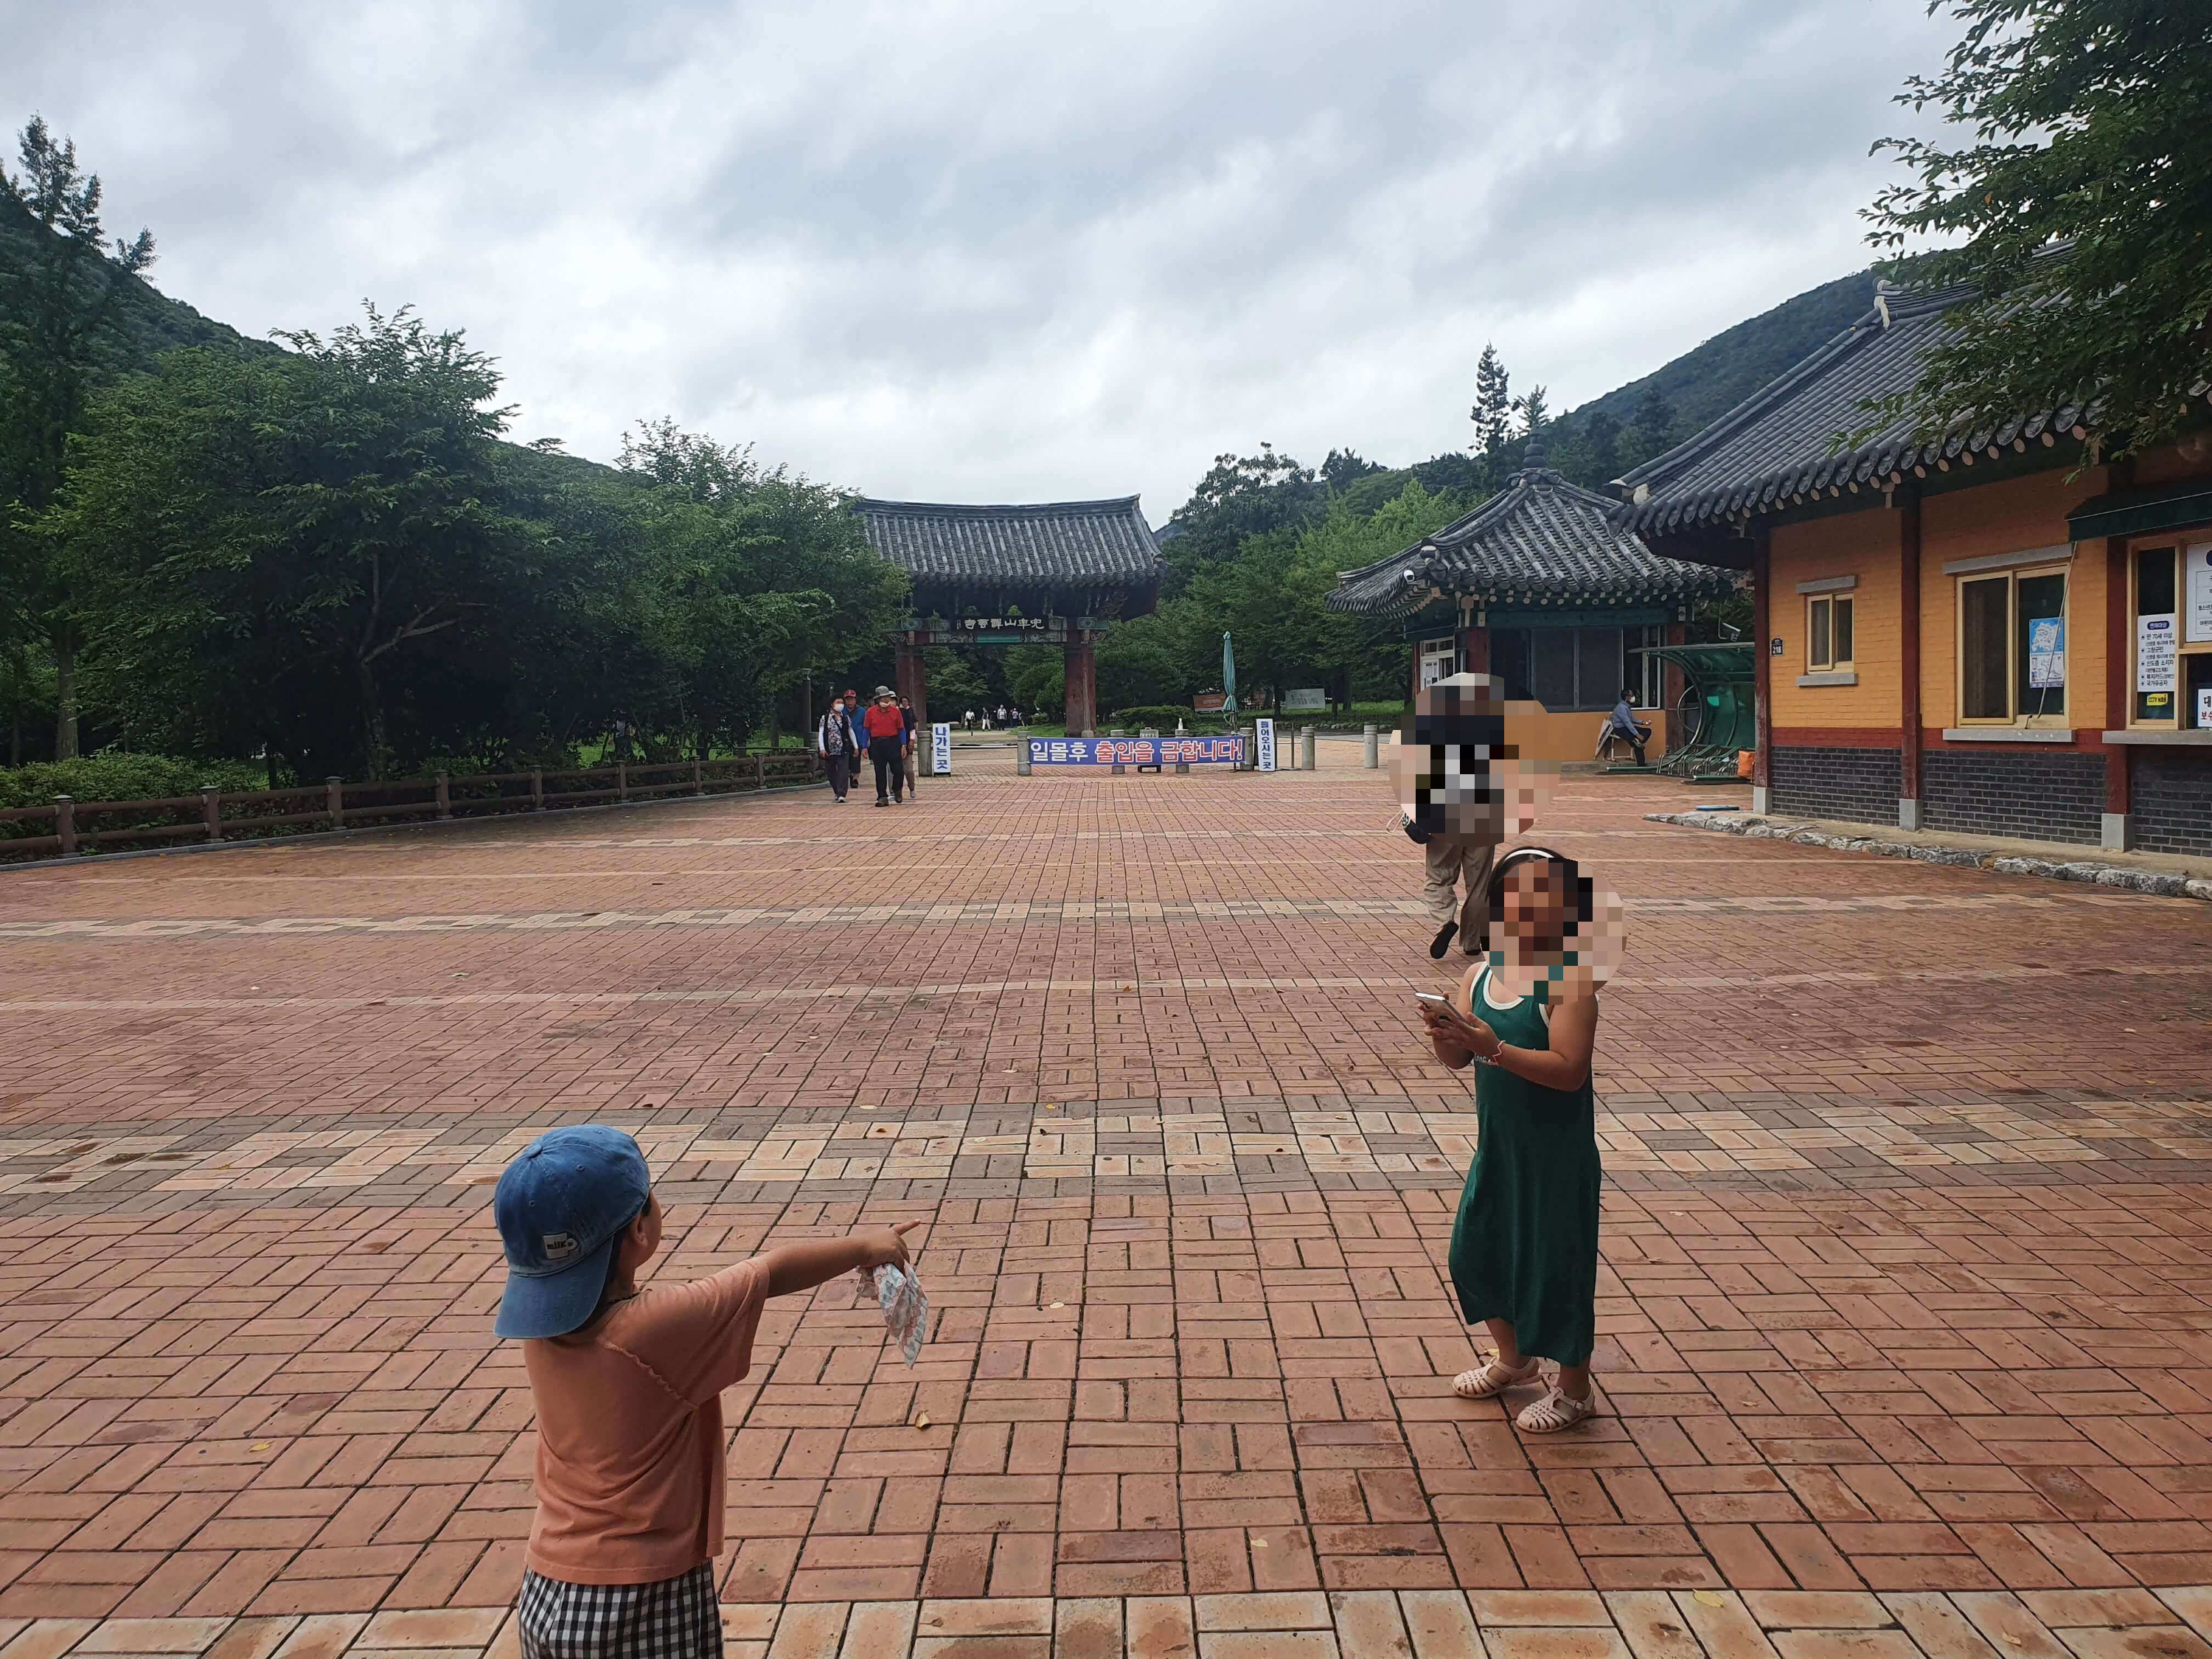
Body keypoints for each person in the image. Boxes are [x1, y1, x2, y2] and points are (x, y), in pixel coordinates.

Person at [494, 1124, 917, 1658]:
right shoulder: (654, 1329)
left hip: (548, 1587)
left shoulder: (538, 1331)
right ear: (639, 1233)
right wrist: (866, 1245)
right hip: (640, 1595)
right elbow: (768, 1271)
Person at [1418, 849, 1604, 1434]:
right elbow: (1455, 1059)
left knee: (1555, 1267)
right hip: (1497, 1146)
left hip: (1555, 1155)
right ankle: (1515, 1360)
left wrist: (1493, 1048)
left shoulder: (1570, 984)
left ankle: (1575, 1391)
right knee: (1474, 1254)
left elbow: (1568, 1070)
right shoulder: (1481, 975)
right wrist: (1447, 1031)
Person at [863, 685, 908, 805]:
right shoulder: (870, 712)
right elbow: (866, 729)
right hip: (877, 743)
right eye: (883, 698)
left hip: (893, 742)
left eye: (888, 697)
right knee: (880, 771)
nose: (886, 700)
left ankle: (897, 789)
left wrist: (903, 744)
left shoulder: (895, 712)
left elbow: (901, 729)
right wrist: (864, 747)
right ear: (878, 699)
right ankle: (882, 796)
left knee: (898, 770)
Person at [817, 698, 857, 803]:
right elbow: (821, 733)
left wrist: (856, 746)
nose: (840, 705)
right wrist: (822, 748)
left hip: (843, 748)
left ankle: (841, 793)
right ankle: (836, 791)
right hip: (829, 749)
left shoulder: (846, 718)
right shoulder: (825, 718)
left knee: (843, 771)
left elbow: (850, 731)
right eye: (838, 703)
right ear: (832, 704)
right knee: (831, 772)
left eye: (842, 703)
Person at [1603, 690, 1652, 765]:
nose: (1633, 697)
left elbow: (1631, 719)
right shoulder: (1621, 708)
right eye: (1631, 696)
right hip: (1620, 729)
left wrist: (1643, 722)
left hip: (1626, 727)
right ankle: (1641, 764)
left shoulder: (1627, 707)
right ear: (1627, 697)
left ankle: (1637, 742)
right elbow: (1627, 723)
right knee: (1637, 746)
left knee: (1647, 731)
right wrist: (1637, 734)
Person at [897, 694, 920, 796]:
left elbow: (913, 726)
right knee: (896, 771)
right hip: (895, 744)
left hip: (907, 742)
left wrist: (912, 739)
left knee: (909, 770)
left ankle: (912, 788)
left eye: (906, 701)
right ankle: (896, 792)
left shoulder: (910, 711)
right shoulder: (897, 712)